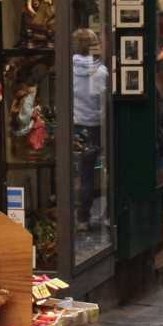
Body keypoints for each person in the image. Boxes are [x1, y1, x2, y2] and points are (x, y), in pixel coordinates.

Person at [71, 27, 109, 227]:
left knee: (75, 171)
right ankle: (86, 216)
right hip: (95, 125)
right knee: (91, 172)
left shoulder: (67, 69)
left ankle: (77, 216)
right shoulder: (101, 72)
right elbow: (103, 100)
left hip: (74, 125)